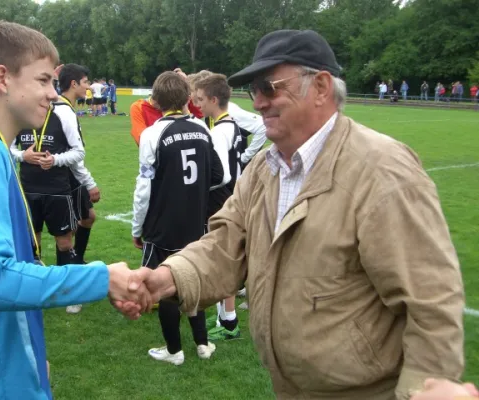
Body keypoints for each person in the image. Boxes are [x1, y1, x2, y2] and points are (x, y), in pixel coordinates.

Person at [121, 29, 465, 400]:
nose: (258, 103)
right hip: (288, 386)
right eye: (254, 90)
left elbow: (431, 302)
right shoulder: (264, 169)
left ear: (320, 87)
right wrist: (168, 278)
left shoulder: (384, 171)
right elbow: (224, 245)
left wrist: (425, 388)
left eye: (269, 87)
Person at [0, 21, 150, 400]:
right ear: (2, 78)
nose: (53, 95)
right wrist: (100, 278)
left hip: (7, 372)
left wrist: (30, 356)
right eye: (42, 81)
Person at [131, 71, 223, 365]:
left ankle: (174, 351)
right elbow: (221, 176)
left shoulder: (152, 134)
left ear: (156, 101)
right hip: (195, 223)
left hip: (163, 225)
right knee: (191, 277)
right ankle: (203, 344)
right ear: (187, 98)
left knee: (164, 283)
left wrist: (137, 227)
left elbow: (143, 189)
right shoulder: (202, 129)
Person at [11, 64, 86, 271]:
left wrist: (55, 160)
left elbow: (79, 152)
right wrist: (23, 155)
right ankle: (34, 292)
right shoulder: (20, 117)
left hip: (57, 190)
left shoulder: (63, 116)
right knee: (31, 243)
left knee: (64, 243)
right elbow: (5, 148)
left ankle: (69, 293)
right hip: (28, 190)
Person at [194, 73, 244, 340]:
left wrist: (197, 190)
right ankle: (226, 319)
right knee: (225, 258)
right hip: (230, 197)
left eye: (201, 99)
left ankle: (229, 323)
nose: (197, 104)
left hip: (220, 201)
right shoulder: (231, 124)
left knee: (220, 260)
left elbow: (222, 174)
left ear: (214, 99)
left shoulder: (218, 132)